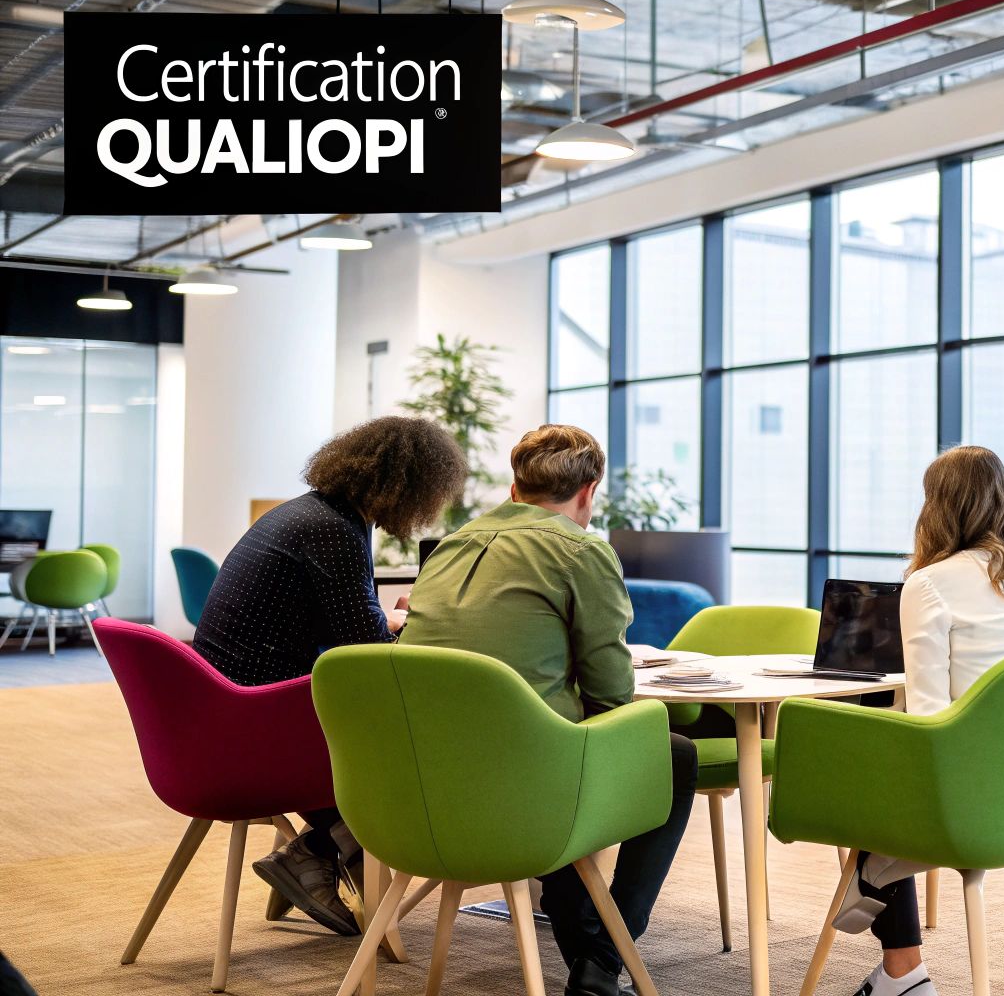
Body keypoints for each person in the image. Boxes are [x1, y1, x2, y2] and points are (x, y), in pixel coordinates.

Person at [399, 424, 696, 996]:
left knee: (554, 742)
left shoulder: (450, 546)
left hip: (423, 783)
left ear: (514, 487)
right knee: (671, 756)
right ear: (588, 492)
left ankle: (587, 939)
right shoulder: (580, 549)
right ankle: (607, 958)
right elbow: (611, 696)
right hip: (526, 787)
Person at [193, 415, 467, 935]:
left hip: (228, 705)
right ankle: (331, 851)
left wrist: (387, 617)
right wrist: (424, 628)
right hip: (262, 722)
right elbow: (368, 654)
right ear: (409, 489)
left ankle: (317, 852)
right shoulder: (332, 531)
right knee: (412, 741)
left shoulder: (312, 515)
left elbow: (334, 617)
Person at [837, 446, 1004, 996]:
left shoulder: (931, 583)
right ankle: (874, 888)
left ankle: (900, 964)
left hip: (964, 804)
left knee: (860, 775)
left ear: (936, 507)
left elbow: (927, 718)